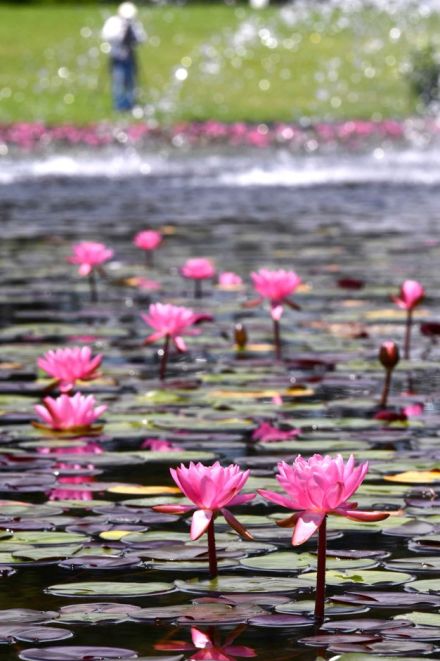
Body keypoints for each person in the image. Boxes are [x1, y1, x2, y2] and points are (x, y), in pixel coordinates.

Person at [101, 2, 146, 112]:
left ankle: (130, 104)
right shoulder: (113, 22)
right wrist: (122, 32)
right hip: (118, 57)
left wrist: (134, 36)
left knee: (131, 81)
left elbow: (142, 38)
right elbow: (107, 36)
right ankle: (120, 105)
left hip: (130, 56)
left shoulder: (134, 24)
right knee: (119, 81)